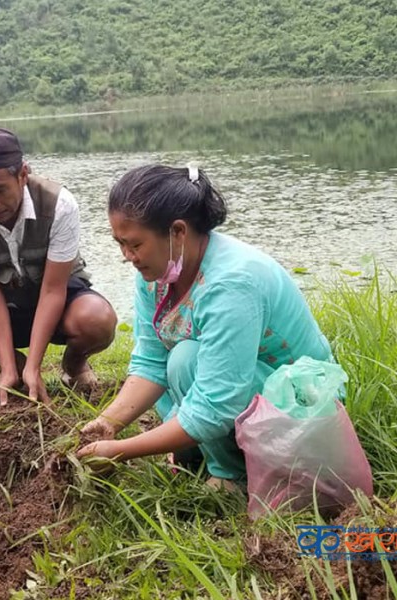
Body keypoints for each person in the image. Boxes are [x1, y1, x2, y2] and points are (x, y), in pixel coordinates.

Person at [77, 164, 333, 488]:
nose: (127, 256)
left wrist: (123, 451)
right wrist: (109, 422)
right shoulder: (157, 274)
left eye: (135, 244)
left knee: (185, 360)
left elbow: (217, 403)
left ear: (178, 232)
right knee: (175, 361)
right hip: (247, 390)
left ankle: (233, 476)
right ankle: (203, 452)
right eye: (120, 244)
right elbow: (151, 361)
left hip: (303, 405)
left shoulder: (231, 284)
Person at [0, 127, 117, 407]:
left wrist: (36, 367)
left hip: (60, 298)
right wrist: (11, 366)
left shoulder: (59, 204)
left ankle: (74, 365)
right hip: (6, 305)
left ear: (23, 174)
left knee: (97, 319)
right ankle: (12, 366)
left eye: (0, 190)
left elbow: (53, 289)